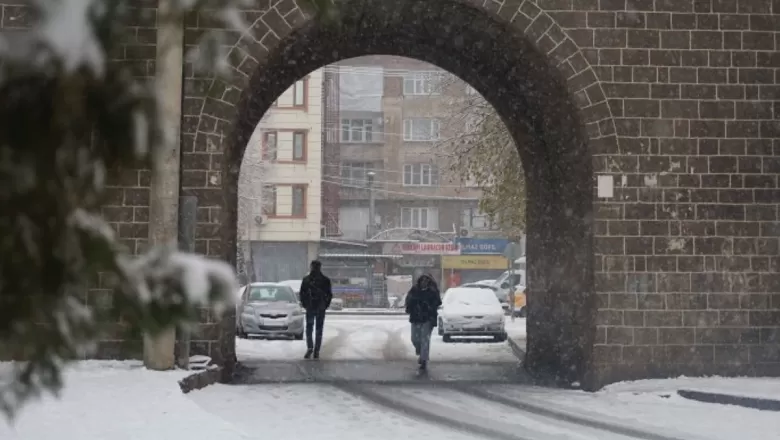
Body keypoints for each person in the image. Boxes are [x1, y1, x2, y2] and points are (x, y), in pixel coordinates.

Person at [404, 273, 441, 370]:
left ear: (430, 282)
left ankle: (423, 359)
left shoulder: (433, 291)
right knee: (414, 339)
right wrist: (411, 305)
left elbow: (438, 302)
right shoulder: (414, 290)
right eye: (422, 280)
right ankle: (420, 351)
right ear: (419, 281)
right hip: (416, 318)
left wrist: (428, 306)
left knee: (425, 339)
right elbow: (408, 300)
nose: (424, 282)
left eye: (427, 280)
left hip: (427, 319)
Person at [299, 260, 333, 359]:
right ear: (320, 267)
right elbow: (329, 295)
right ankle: (316, 350)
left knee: (309, 328)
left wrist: (305, 304)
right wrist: (325, 305)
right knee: (319, 329)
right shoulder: (325, 280)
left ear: (311, 267)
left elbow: (302, 294)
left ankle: (310, 347)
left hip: (310, 307)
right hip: (320, 307)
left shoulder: (306, 280)